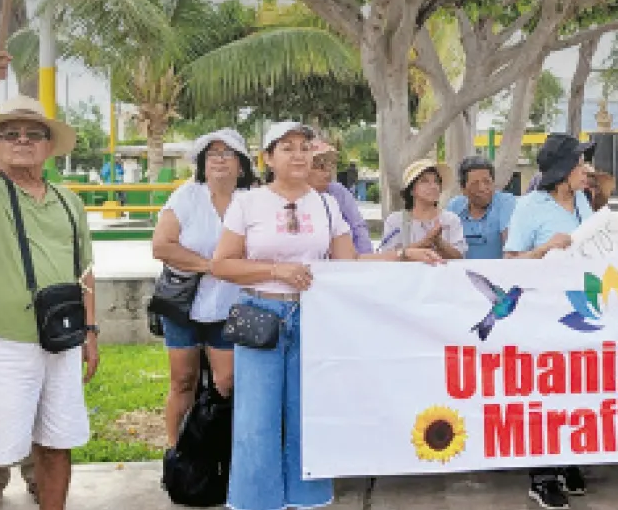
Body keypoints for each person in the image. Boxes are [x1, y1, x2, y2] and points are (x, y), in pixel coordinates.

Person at [211, 122, 441, 510]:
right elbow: (221, 265)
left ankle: (306, 499)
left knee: (307, 415)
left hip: (313, 318)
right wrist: (275, 270)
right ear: (268, 158)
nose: (299, 155)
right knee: (256, 420)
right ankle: (256, 501)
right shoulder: (248, 203)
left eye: (304, 147)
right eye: (287, 148)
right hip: (261, 317)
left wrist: (404, 254)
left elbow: (348, 264)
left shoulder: (326, 204)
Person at [0, 52, 98, 510]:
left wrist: (90, 332)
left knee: (58, 442)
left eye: (34, 134)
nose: (22, 140)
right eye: (9, 133)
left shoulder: (68, 201)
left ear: (49, 147)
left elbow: (85, 272)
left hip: (61, 339)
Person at [504, 133, 596, 509]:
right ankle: (542, 475)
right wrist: (543, 250)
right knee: (545, 394)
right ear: (562, 170)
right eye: (579, 163)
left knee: (577, 391)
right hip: (542, 317)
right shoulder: (528, 207)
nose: (586, 170)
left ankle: (568, 460)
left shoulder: (584, 204)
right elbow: (509, 263)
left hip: (581, 313)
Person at [151, 128, 254, 454]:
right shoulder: (186, 196)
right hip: (184, 305)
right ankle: (177, 453)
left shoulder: (253, 199)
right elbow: (162, 245)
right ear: (202, 162)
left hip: (230, 306)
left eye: (228, 153)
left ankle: (221, 454)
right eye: (213, 154)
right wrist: (214, 266)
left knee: (227, 383)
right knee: (183, 381)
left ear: (242, 164)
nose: (220, 160)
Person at [378, 160, 466, 260]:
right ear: (411, 190)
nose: (433, 186)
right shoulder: (395, 221)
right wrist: (424, 242)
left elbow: (459, 257)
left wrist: (439, 242)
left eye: (436, 182)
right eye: (424, 181)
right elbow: (387, 257)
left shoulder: (451, 219)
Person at [445, 156, 517, 260]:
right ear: (463, 189)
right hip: (461, 273)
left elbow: (511, 246)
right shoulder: (454, 206)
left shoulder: (506, 202)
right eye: (475, 184)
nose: (482, 188)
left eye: (487, 182)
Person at [307, 140, 372, 254]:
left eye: (330, 166)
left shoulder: (337, 192)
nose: (327, 173)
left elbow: (358, 227)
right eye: (319, 166)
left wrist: (365, 262)